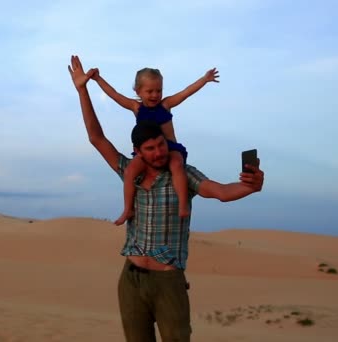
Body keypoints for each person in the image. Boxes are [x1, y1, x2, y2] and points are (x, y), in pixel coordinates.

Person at [68, 55, 264, 342]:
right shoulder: (129, 173)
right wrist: (83, 89)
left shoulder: (182, 174)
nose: (159, 152)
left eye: (162, 145)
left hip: (168, 280)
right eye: (151, 148)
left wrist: (251, 187)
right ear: (138, 152)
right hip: (131, 279)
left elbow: (221, 192)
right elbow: (97, 138)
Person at [89, 66, 220, 225]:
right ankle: (128, 209)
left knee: (177, 165)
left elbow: (186, 92)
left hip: (170, 149)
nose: (155, 95)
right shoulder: (136, 107)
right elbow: (114, 95)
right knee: (130, 171)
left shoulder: (166, 105)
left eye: (159, 90)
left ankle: (183, 204)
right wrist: (98, 79)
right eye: (150, 91)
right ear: (138, 91)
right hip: (146, 153)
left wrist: (204, 80)